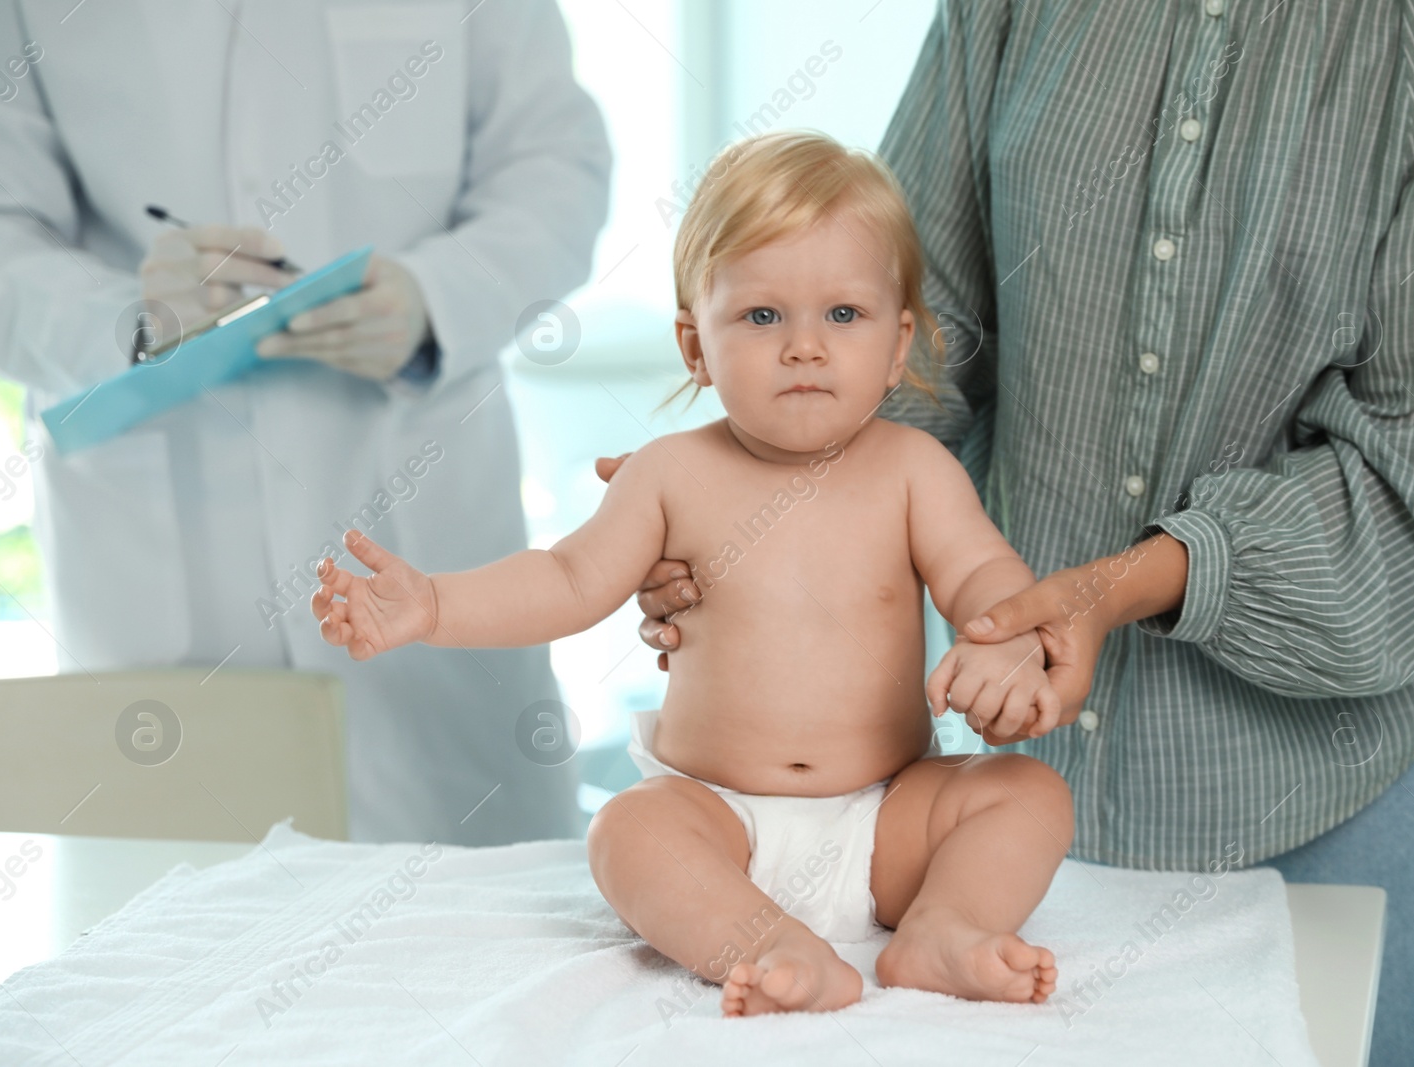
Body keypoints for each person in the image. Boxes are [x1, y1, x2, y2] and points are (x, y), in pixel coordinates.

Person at [609, 1, 1414, 1062]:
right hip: (1029, 770)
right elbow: (912, 317)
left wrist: (1112, 586)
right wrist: (746, 508)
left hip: (1327, 765)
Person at [310, 130, 1075, 1017]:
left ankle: (945, 925)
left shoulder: (914, 469)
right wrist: (434, 603)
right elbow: (567, 579)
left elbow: (983, 574)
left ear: (898, 342)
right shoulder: (669, 473)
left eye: (843, 315)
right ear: (694, 345)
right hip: (720, 820)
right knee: (627, 832)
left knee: (1025, 793)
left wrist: (1007, 642)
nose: (804, 347)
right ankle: (765, 941)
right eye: (761, 316)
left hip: (888, 815)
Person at [0, 0, 610, 845]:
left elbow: (557, 160)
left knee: (491, 926)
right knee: (175, 932)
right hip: (159, 553)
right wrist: (122, 317)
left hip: (421, 510)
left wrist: (440, 296)